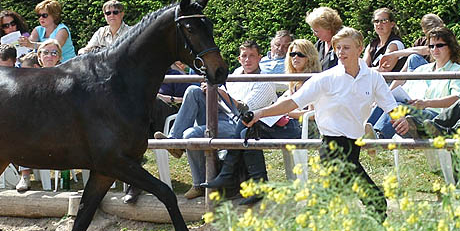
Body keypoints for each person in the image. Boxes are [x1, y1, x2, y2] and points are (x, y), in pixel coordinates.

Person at [245, 27, 404, 220]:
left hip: (353, 147)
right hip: (332, 148)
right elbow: (291, 103)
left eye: (346, 47)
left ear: (360, 48)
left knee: (328, 203)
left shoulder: (372, 77)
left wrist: (400, 119)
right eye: (338, 47)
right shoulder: (325, 79)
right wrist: (260, 113)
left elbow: (390, 105)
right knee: (374, 200)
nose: (341, 52)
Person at [154, 41, 278, 200]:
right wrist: (210, 91)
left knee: (191, 135)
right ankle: (174, 141)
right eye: (244, 56)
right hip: (222, 114)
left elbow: (245, 111)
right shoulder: (236, 73)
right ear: (239, 59)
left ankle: (198, 184)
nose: (248, 60)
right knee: (193, 91)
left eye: (252, 56)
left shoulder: (265, 81)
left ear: (260, 58)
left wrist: (217, 91)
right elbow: (221, 99)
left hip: (240, 124)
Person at [122, 61, 194, 204]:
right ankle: (134, 180)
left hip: (168, 120)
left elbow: (186, 102)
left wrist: (165, 98)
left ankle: (135, 182)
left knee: (153, 101)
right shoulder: (144, 76)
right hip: (145, 124)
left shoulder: (175, 76)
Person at [387, 26, 460, 139]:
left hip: (438, 118)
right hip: (414, 114)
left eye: (439, 45)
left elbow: (458, 100)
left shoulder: (457, 72)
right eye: (431, 46)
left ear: (451, 47)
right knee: (388, 104)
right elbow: (405, 92)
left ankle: (378, 136)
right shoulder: (422, 70)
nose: (434, 49)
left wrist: (427, 103)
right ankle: (370, 131)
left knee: (397, 107)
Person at [15, 40, 62, 192]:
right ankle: (25, 175)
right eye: (46, 52)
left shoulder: (65, 75)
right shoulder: (31, 77)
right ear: (39, 57)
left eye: (54, 53)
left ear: (58, 57)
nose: (50, 56)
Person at [378, 13, 444, 72]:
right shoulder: (420, 41)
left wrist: (393, 54)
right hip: (421, 74)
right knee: (411, 58)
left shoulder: (443, 40)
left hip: (439, 71)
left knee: (413, 58)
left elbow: (424, 50)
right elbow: (405, 68)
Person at [281, 38, 321, 120]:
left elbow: (312, 115)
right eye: (292, 54)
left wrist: (285, 112)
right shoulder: (293, 80)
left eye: (300, 54)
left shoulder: (314, 80)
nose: (295, 57)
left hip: (308, 128)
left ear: (310, 58)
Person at [362, 8, 405, 72]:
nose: (379, 24)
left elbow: (384, 69)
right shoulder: (371, 45)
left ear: (392, 24)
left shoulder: (395, 44)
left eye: (384, 21)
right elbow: (363, 66)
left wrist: (364, 71)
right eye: (376, 21)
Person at [305, 6, 343, 71]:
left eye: (316, 31)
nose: (314, 34)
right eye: (313, 30)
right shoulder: (319, 45)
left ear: (328, 29)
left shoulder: (342, 43)